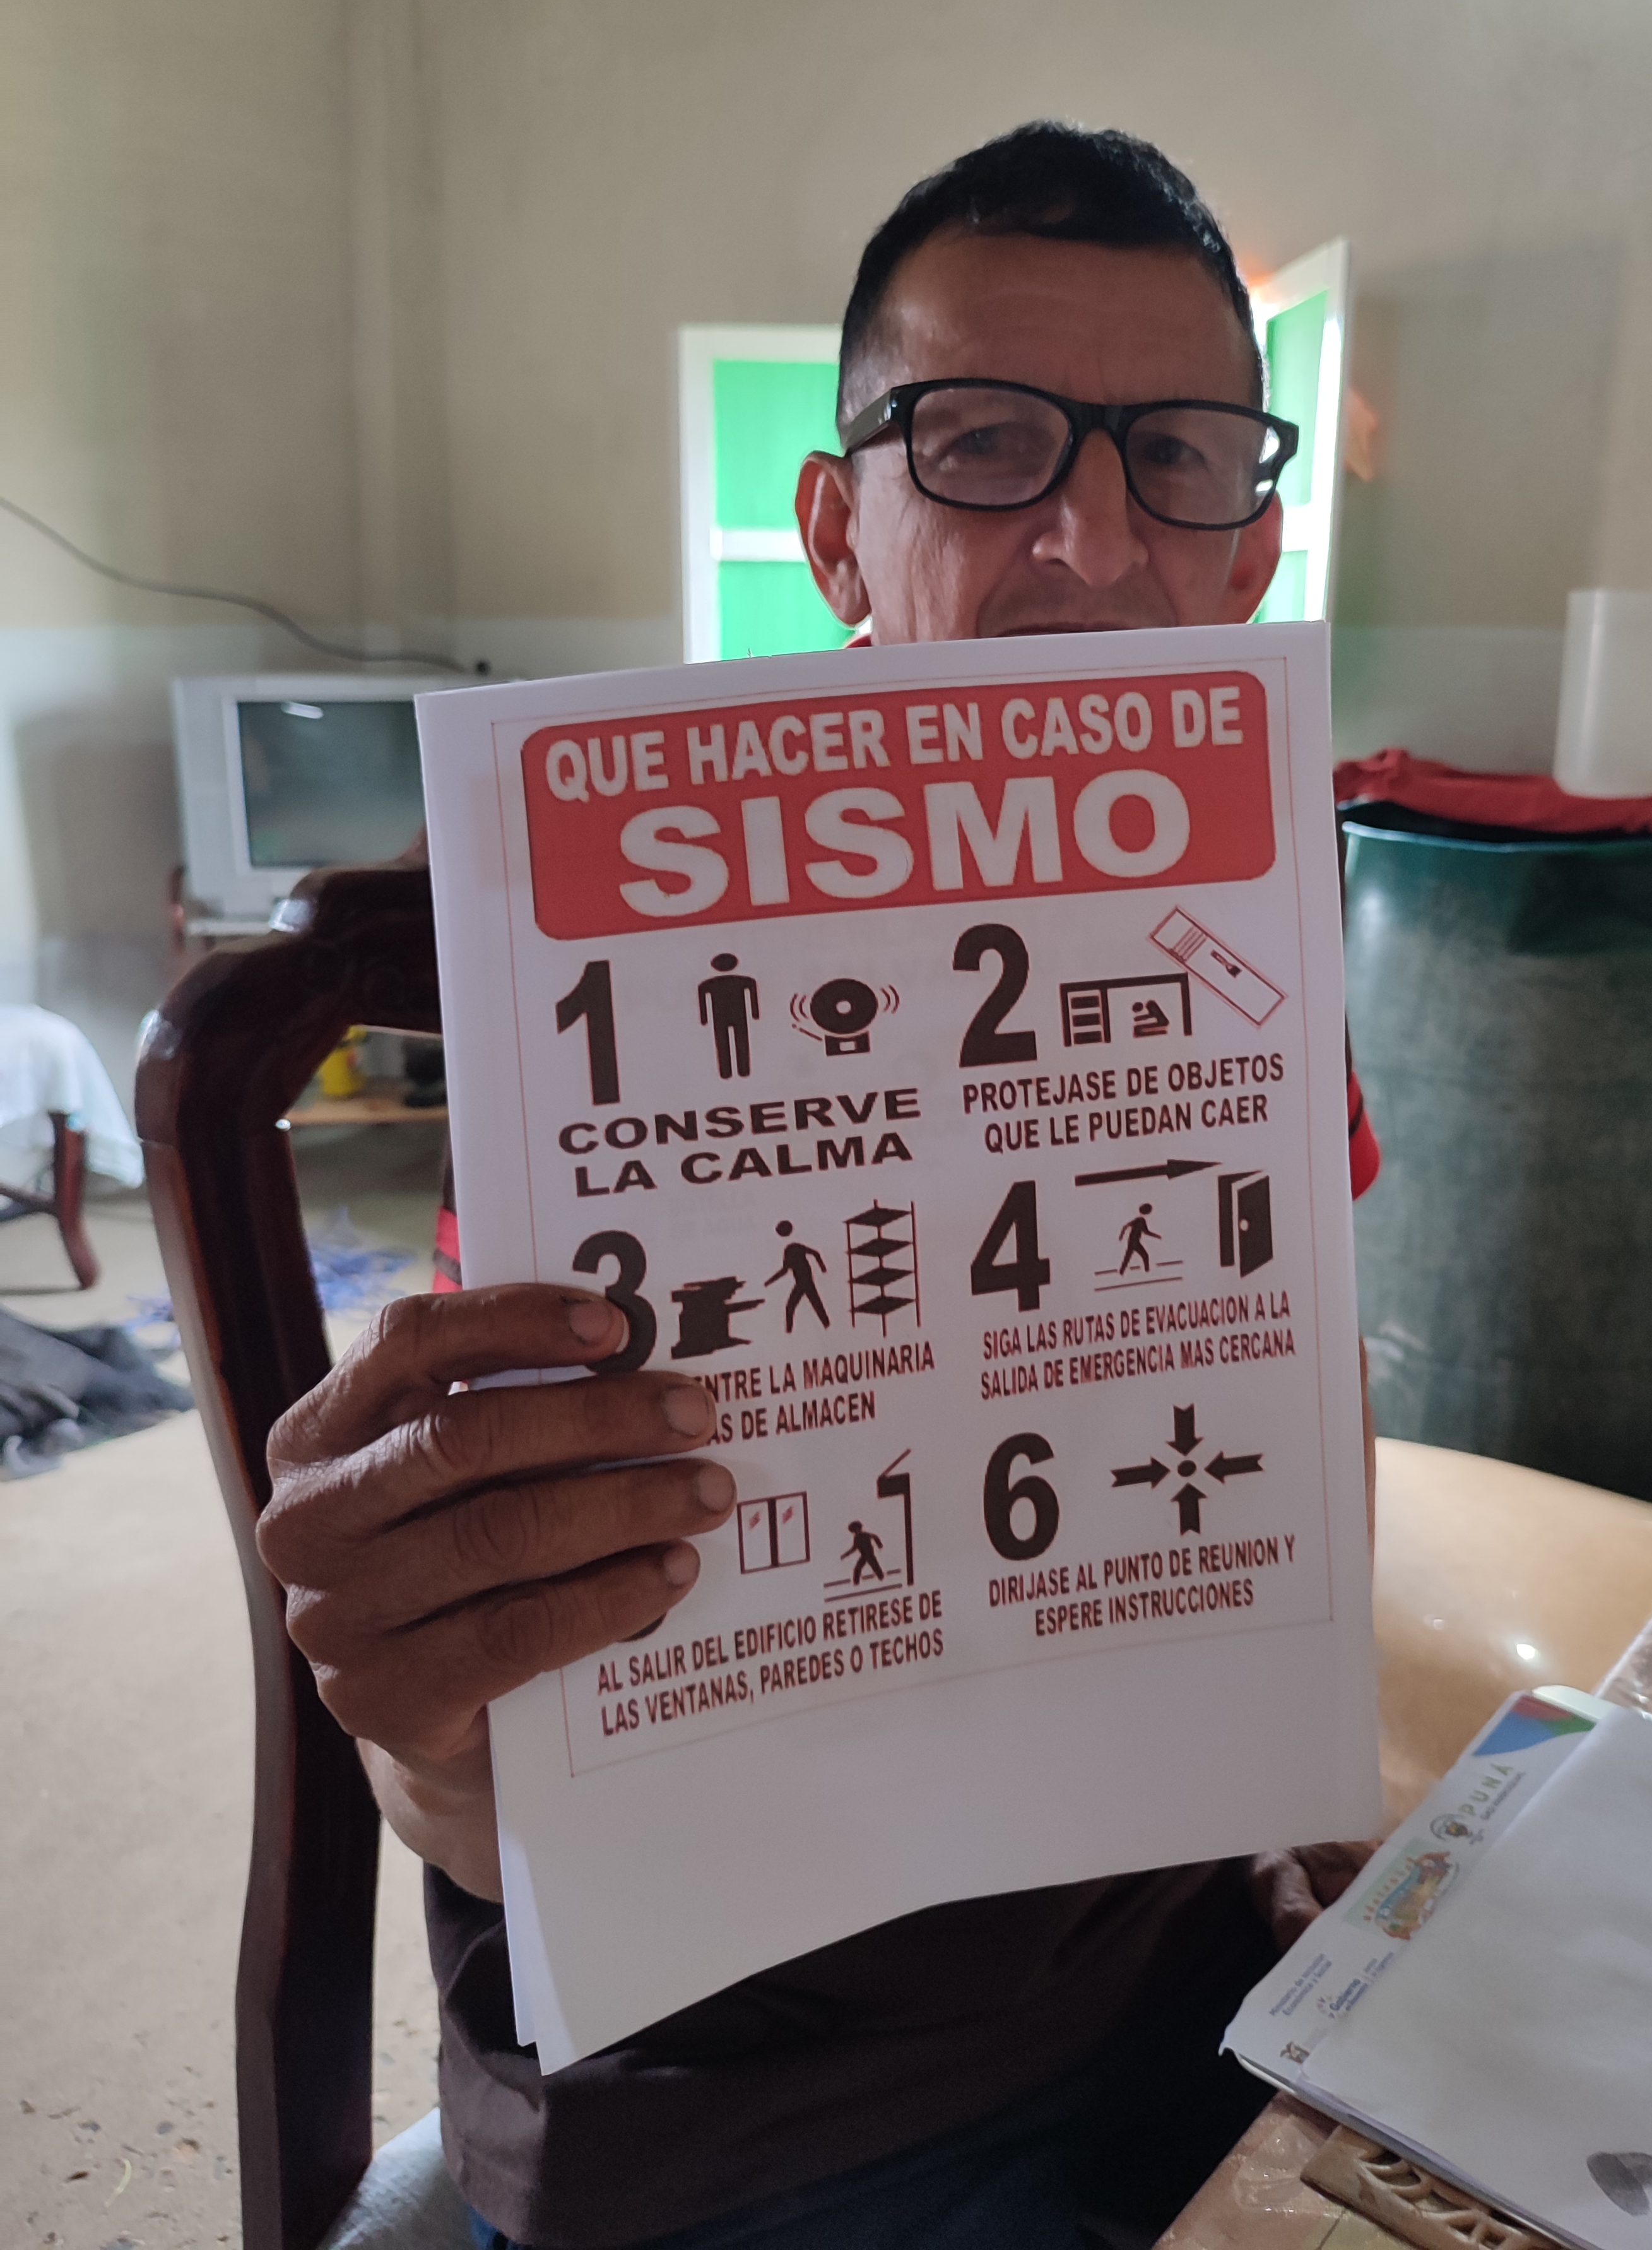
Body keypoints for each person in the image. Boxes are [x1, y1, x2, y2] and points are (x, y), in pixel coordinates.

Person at [257, 124, 1379, 2250]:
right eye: (984, 443)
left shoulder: (1249, 948)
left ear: (1249, 551)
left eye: (1178, 457)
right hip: (746, 2102)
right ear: (837, 530)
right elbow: (488, 1793)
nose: (1090, 539)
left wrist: (1313, 1795)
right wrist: (425, 1735)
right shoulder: (616, 983)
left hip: (1187, 1973)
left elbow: (1303, 1409)